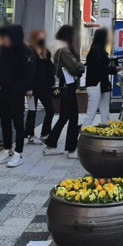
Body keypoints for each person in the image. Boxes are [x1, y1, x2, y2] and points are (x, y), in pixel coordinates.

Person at [0, 25, 35, 168]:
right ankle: (7, 149)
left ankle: (18, 152)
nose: (3, 39)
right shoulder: (4, 51)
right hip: (4, 91)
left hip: (17, 91)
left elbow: (30, 72)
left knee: (18, 122)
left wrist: (28, 87)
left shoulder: (25, 51)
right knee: (4, 120)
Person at [43, 25, 85, 159]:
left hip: (64, 85)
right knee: (72, 117)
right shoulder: (64, 50)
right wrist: (81, 67)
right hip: (68, 86)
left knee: (65, 117)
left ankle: (51, 145)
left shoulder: (57, 49)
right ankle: (71, 149)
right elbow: (76, 68)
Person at [25, 30, 55, 143]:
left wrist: (51, 81)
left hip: (44, 86)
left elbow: (49, 68)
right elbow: (28, 71)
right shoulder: (30, 52)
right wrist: (28, 87)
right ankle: (30, 135)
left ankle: (45, 133)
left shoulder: (45, 51)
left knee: (50, 110)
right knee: (32, 111)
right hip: (32, 87)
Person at [85, 28, 120, 124]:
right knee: (92, 112)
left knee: (104, 111)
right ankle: (84, 131)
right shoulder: (97, 51)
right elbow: (100, 68)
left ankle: (105, 129)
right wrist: (114, 69)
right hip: (96, 84)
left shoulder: (97, 50)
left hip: (100, 84)